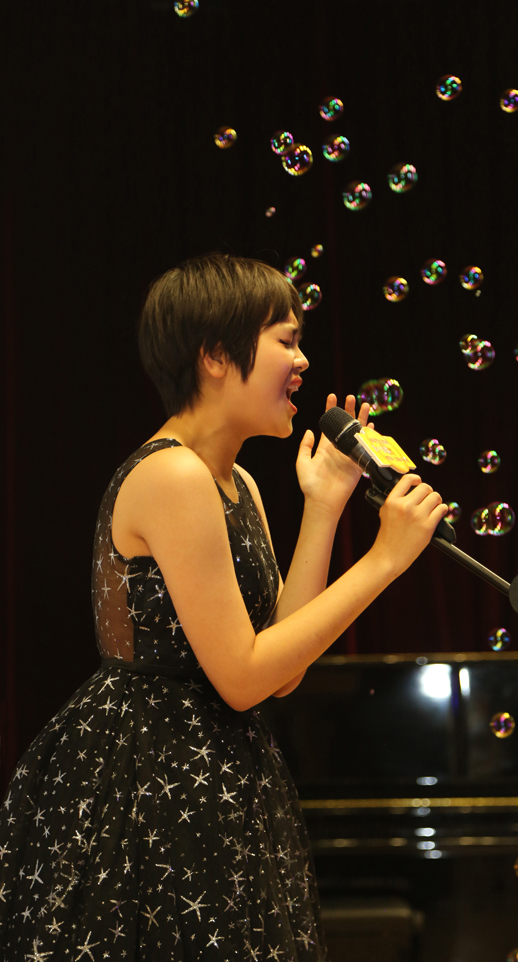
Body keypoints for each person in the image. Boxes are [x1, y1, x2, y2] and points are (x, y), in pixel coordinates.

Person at [0, 252, 448, 961]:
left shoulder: (236, 481)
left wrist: (324, 507)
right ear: (214, 355)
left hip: (217, 776)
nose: (302, 362)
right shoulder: (173, 474)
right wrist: (385, 559)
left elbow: (281, 670)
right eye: (286, 340)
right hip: (155, 785)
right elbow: (241, 677)